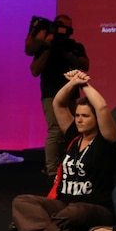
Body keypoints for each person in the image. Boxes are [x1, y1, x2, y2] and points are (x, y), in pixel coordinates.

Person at [10, 70, 116, 231]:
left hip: (95, 208)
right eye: (77, 115)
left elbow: (102, 107)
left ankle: (29, 228)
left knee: (75, 212)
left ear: (96, 119)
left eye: (85, 116)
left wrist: (84, 84)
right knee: (22, 201)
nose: (79, 120)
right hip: (63, 204)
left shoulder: (106, 140)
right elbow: (58, 104)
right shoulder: (74, 136)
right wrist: (72, 82)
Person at [25, 14, 90, 180]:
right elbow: (34, 69)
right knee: (55, 131)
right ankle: (52, 170)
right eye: (60, 25)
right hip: (51, 94)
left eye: (67, 26)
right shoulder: (46, 46)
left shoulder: (74, 46)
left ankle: (67, 165)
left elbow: (85, 65)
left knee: (72, 131)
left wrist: (67, 53)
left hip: (70, 95)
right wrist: (49, 47)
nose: (63, 30)